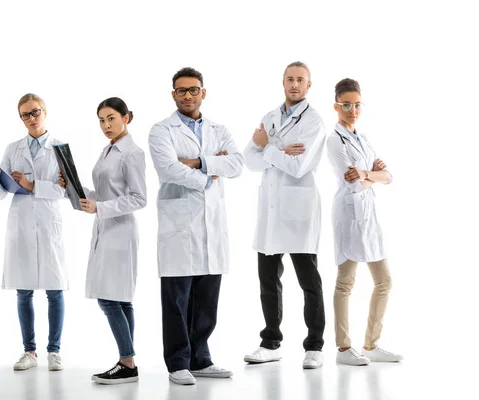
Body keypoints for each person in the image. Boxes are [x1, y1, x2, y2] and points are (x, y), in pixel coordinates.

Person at [148, 67, 244, 385]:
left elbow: (237, 163)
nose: (187, 95)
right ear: (173, 94)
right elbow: (169, 170)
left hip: (211, 225)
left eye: (193, 90)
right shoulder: (161, 131)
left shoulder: (219, 129)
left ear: (204, 92)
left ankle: (201, 359)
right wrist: (211, 172)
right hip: (179, 226)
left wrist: (199, 161)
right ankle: (178, 362)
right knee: (177, 299)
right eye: (181, 90)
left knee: (206, 298)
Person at [243, 61, 327, 369]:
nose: (295, 84)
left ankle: (315, 346)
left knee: (309, 281)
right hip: (271, 209)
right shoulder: (270, 117)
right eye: (290, 79)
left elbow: (298, 166)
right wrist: (277, 150)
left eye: (300, 80)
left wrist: (268, 148)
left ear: (308, 86)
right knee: (268, 279)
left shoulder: (314, 121)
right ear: (283, 83)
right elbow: (247, 160)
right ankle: (271, 342)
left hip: (299, 209)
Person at [58, 97, 147, 383]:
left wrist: (101, 208)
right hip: (105, 228)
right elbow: (103, 194)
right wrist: (74, 188)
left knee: (110, 300)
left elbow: (139, 198)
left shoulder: (131, 153)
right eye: (101, 120)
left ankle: (128, 362)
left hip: (120, 232)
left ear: (126, 118)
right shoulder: (107, 150)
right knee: (120, 300)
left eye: (111, 118)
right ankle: (128, 362)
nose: (106, 125)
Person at [0, 93, 67, 371]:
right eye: (25, 115)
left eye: (35, 112)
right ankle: (29, 351)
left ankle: (54, 351)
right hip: (20, 223)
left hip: (48, 223)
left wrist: (33, 186)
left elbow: (65, 190)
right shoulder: (13, 148)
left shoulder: (60, 148)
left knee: (54, 290)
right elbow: (1, 193)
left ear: (45, 111)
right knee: (24, 291)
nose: (31, 119)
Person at [326, 78, 403, 365]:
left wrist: (367, 174)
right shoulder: (334, 140)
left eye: (357, 105)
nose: (352, 110)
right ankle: (344, 349)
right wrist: (371, 175)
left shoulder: (362, 137)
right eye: (346, 105)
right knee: (345, 282)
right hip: (349, 214)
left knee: (384, 281)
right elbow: (354, 183)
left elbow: (388, 176)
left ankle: (371, 344)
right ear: (336, 106)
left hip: (369, 216)